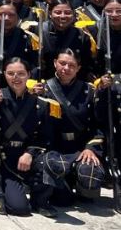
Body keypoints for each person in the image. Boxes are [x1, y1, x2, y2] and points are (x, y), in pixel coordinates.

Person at [0, 57, 57, 217]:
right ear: (4, 74)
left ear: (28, 75)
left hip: (27, 158)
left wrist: (29, 153)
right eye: (10, 73)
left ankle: (40, 201)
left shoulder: (40, 103)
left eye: (21, 73)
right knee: (19, 209)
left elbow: (44, 137)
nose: (16, 77)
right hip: (4, 161)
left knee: (52, 163)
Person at [41, 49, 105, 205]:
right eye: (62, 63)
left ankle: (81, 185)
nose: (66, 68)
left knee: (90, 174)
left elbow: (98, 125)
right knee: (62, 201)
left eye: (72, 65)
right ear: (55, 63)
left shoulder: (89, 91)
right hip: (55, 148)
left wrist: (90, 148)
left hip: (80, 148)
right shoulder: (43, 89)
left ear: (78, 68)